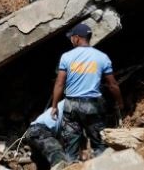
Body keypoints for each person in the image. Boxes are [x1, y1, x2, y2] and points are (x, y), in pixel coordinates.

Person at [50, 23, 123, 162]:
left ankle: (70, 164)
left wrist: (54, 106)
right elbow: (112, 84)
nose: (71, 40)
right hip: (93, 106)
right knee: (100, 145)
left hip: (71, 107)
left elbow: (59, 83)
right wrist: (120, 102)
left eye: (72, 37)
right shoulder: (102, 57)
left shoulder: (66, 57)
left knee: (70, 148)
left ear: (77, 38)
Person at [23, 101, 67, 169]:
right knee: (59, 158)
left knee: (44, 165)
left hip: (34, 132)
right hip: (40, 131)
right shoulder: (72, 103)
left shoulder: (67, 103)